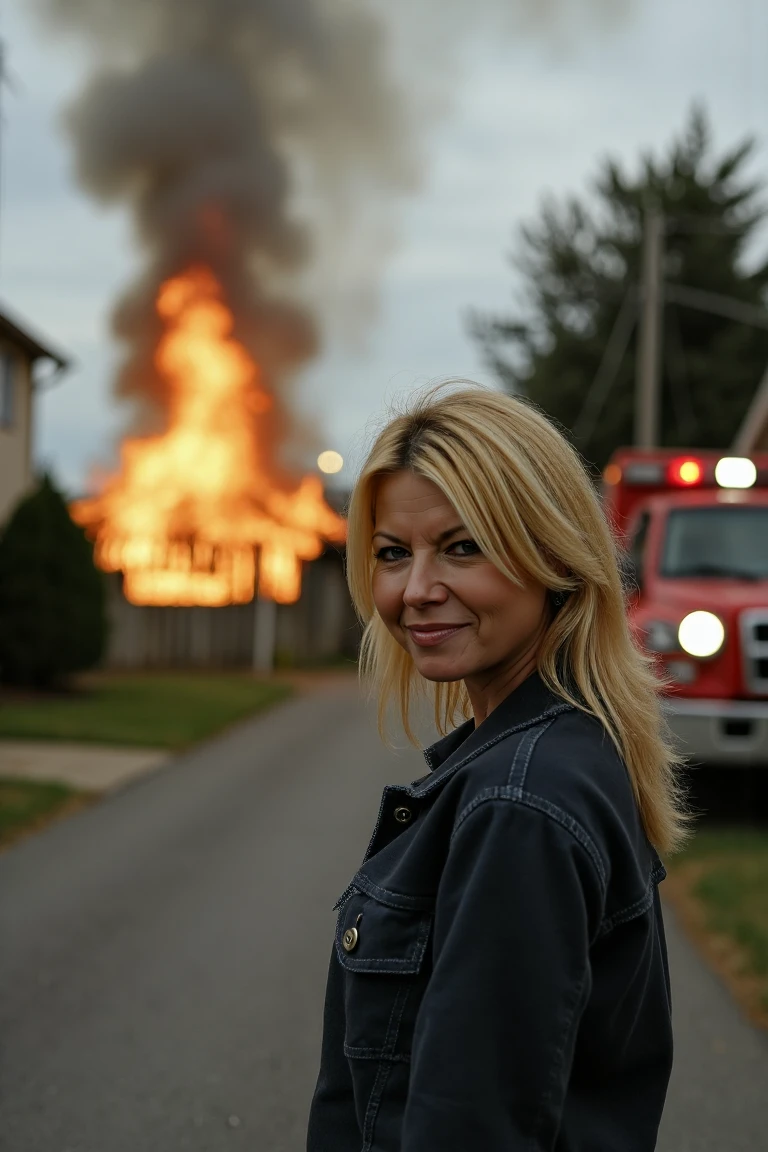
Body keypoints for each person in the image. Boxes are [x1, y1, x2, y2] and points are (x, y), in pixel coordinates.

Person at [306, 384, 688, 1152]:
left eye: (462, 546)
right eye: (391, 554)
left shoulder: (520, 803)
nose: (416, 591)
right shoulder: (563, 754)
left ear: (551, 553)